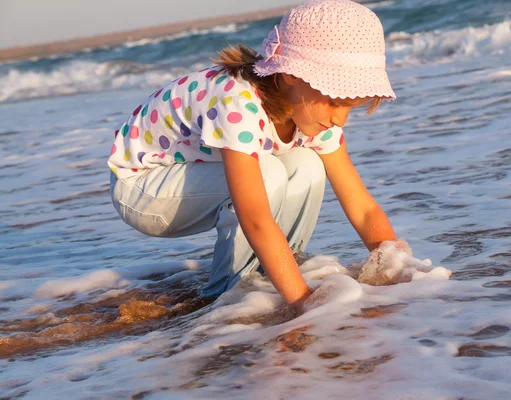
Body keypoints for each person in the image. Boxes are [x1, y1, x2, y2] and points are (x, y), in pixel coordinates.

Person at [108, 0, 412, 310]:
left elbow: (362, 208)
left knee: (307, 165)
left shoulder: (312, 114)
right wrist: (304, 305)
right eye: (335, 102)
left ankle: (270, 276)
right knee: (268, 174)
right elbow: (255, 219)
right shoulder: (236, 101)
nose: (340, 119)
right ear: (291, 75)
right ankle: (229, 295)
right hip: (142, 187)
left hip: (199, 176)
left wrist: (401, 268)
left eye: (351, 106)